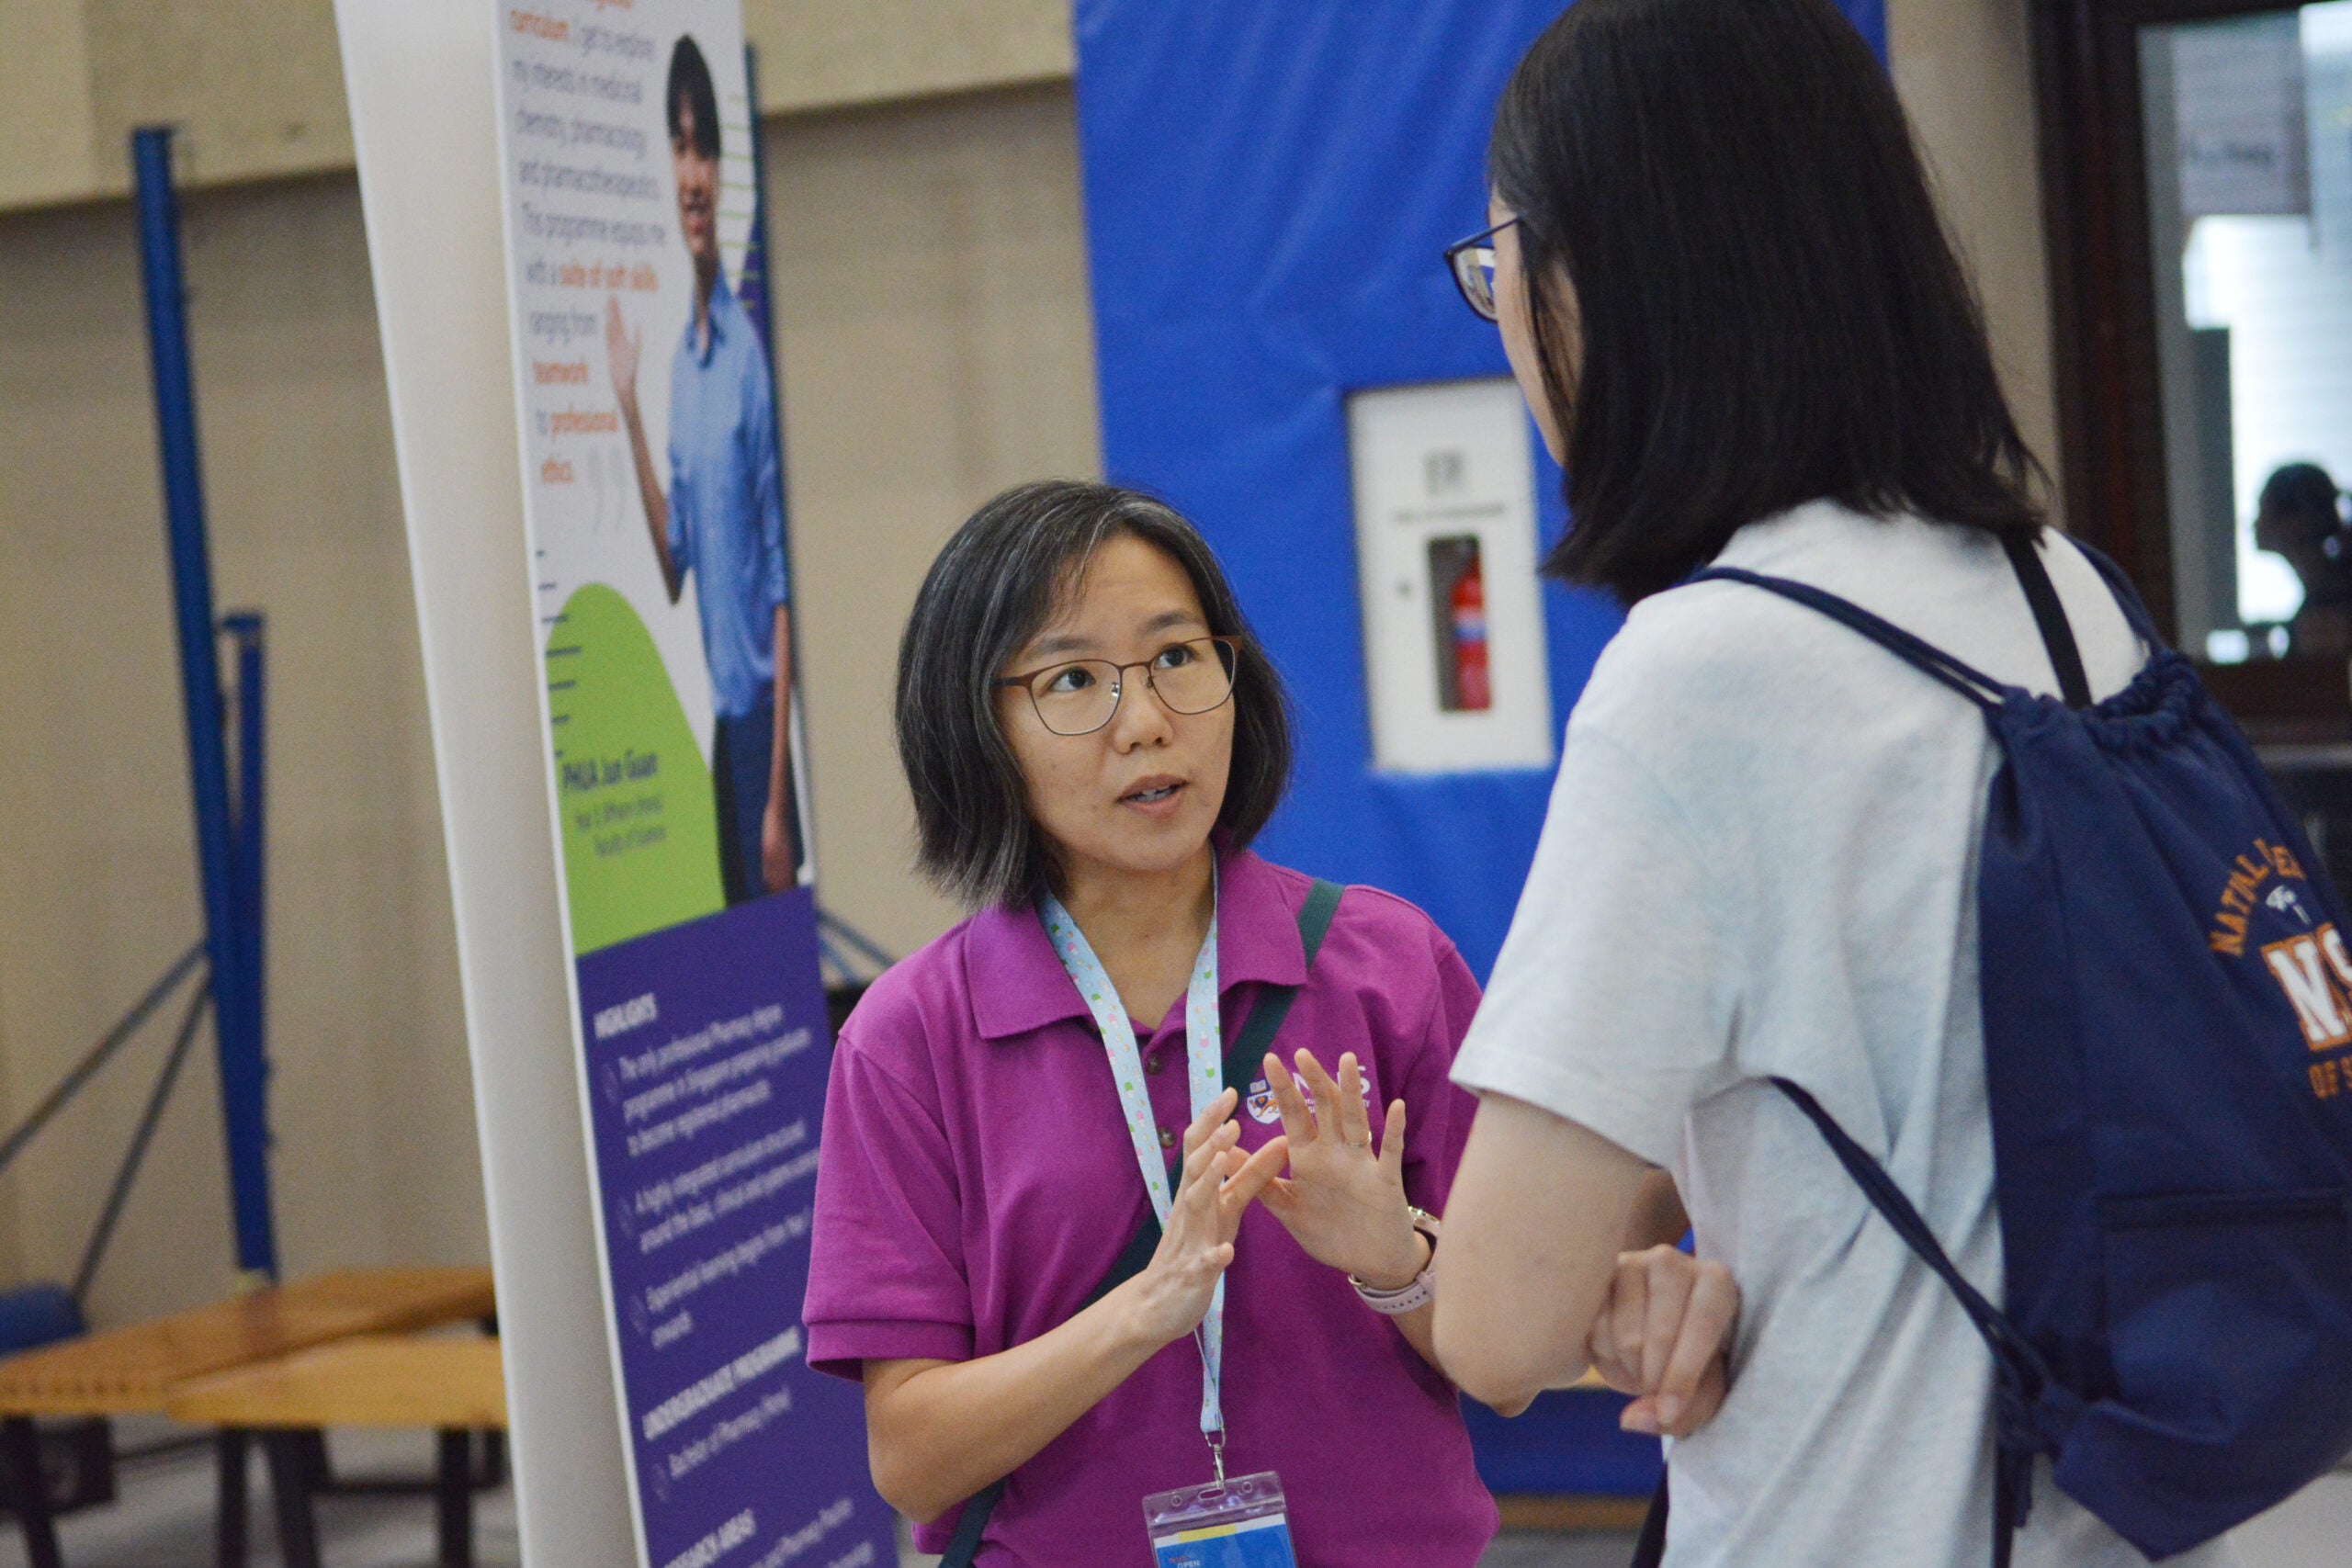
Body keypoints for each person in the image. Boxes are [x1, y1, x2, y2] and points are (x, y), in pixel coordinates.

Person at [1429, 3, 2235, 1566]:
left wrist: (1589, 1275)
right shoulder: (2064, 585)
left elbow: (1496, 1321)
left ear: (1593, 281)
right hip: (2135, 1507)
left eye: (1496, 265)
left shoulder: (1701, 675)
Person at [803, 480, 1736, 1567]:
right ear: (976, 727)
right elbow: (911, 1460)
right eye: (1072, 681)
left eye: (1177, 658)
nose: (1146, 723)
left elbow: (1509, 1368)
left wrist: (1394, 1260)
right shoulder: (910, 1038)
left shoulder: (1384, 966)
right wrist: (1144, 1312)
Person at [606, 34, 798, 902]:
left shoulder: (747, 362)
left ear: (721, 173)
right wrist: (628, 408)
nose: (692, 174)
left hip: (761, 729)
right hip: (719, 726)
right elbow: (674, 564)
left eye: (705, 151)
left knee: (765, 937)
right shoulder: (681, 367)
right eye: (679, 148)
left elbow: (783, 597)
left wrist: (775, 802)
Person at [2253, 462, 2352, 655]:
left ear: (2296, 522)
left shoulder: (2326, 609)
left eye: (2263, 510)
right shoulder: (2323, 592)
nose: (2255, 523)